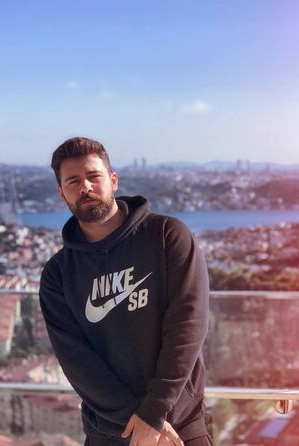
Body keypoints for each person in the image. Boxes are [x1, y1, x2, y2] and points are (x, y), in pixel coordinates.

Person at [39, 137, 212, 446]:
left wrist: (154, 413)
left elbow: (187, 326)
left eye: (93, 176)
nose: (85, 187)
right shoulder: (58, 274)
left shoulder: (167, 236)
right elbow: (77, 361)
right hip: (110, 433)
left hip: (179, 427)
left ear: (113, 180)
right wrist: (139, 422)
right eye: (73, 181)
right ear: (61, 193)